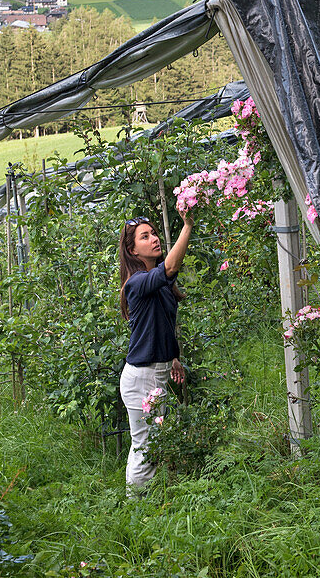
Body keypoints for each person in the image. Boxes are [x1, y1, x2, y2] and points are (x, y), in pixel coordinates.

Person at [117, 210, 192, 491]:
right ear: (133, 250)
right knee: (144, 447)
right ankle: (134, 507)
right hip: (140, 378)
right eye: (144, 237)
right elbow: (170, 268)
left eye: (154, 234)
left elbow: (162, 322)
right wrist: (187, 226)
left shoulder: (159, 283)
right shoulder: (136, 283)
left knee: (154, 443)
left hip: (156, 372)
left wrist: (173, 357)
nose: (154, 239)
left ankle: (148, 501)